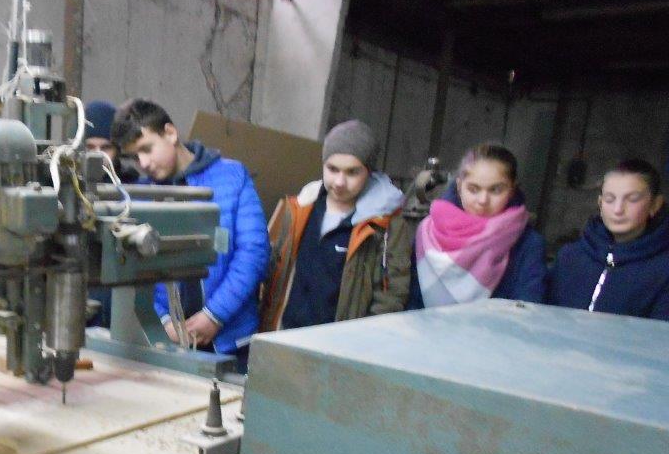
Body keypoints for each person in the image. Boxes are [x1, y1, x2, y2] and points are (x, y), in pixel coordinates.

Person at [111, 99, 268, 372]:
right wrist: (163, 322)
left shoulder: (232, 177)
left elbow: (253, 252)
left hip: (229, 342)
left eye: (146, 149)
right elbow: (133, 268)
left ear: (170, 133)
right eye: (134, 157)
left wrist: (215, 315)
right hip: (167, 342)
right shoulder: (139, 197)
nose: (143, 163)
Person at [260, 119, 408, 331]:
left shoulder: (385, 224)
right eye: (332, 169)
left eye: (352, 172)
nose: (339, 182)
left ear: (369, 171)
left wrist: (361, 340)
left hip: (337, 343)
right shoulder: (300, 208)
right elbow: (274, 272)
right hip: (285, 334)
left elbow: (392, 296)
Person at [407, 143, 546, 308]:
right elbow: (411, 300)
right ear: (460, 186)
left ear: (512, 189)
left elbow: (527, 308)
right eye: (473, 189)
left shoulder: (527, 244)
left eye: (496, 190)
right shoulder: (429, 232)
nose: (483, 200)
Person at [547, 158, 669, 320]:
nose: (618, 210)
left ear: (655, 204)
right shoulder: (570, 256)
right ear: (600, 203)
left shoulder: (663, 269)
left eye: (632, 199)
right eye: (610, 199)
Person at [84, 100, 139, 183]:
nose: (98, 154)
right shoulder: (65, 185)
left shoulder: (132, 185)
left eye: (105, 148)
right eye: (89, 147)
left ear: (117, 151)